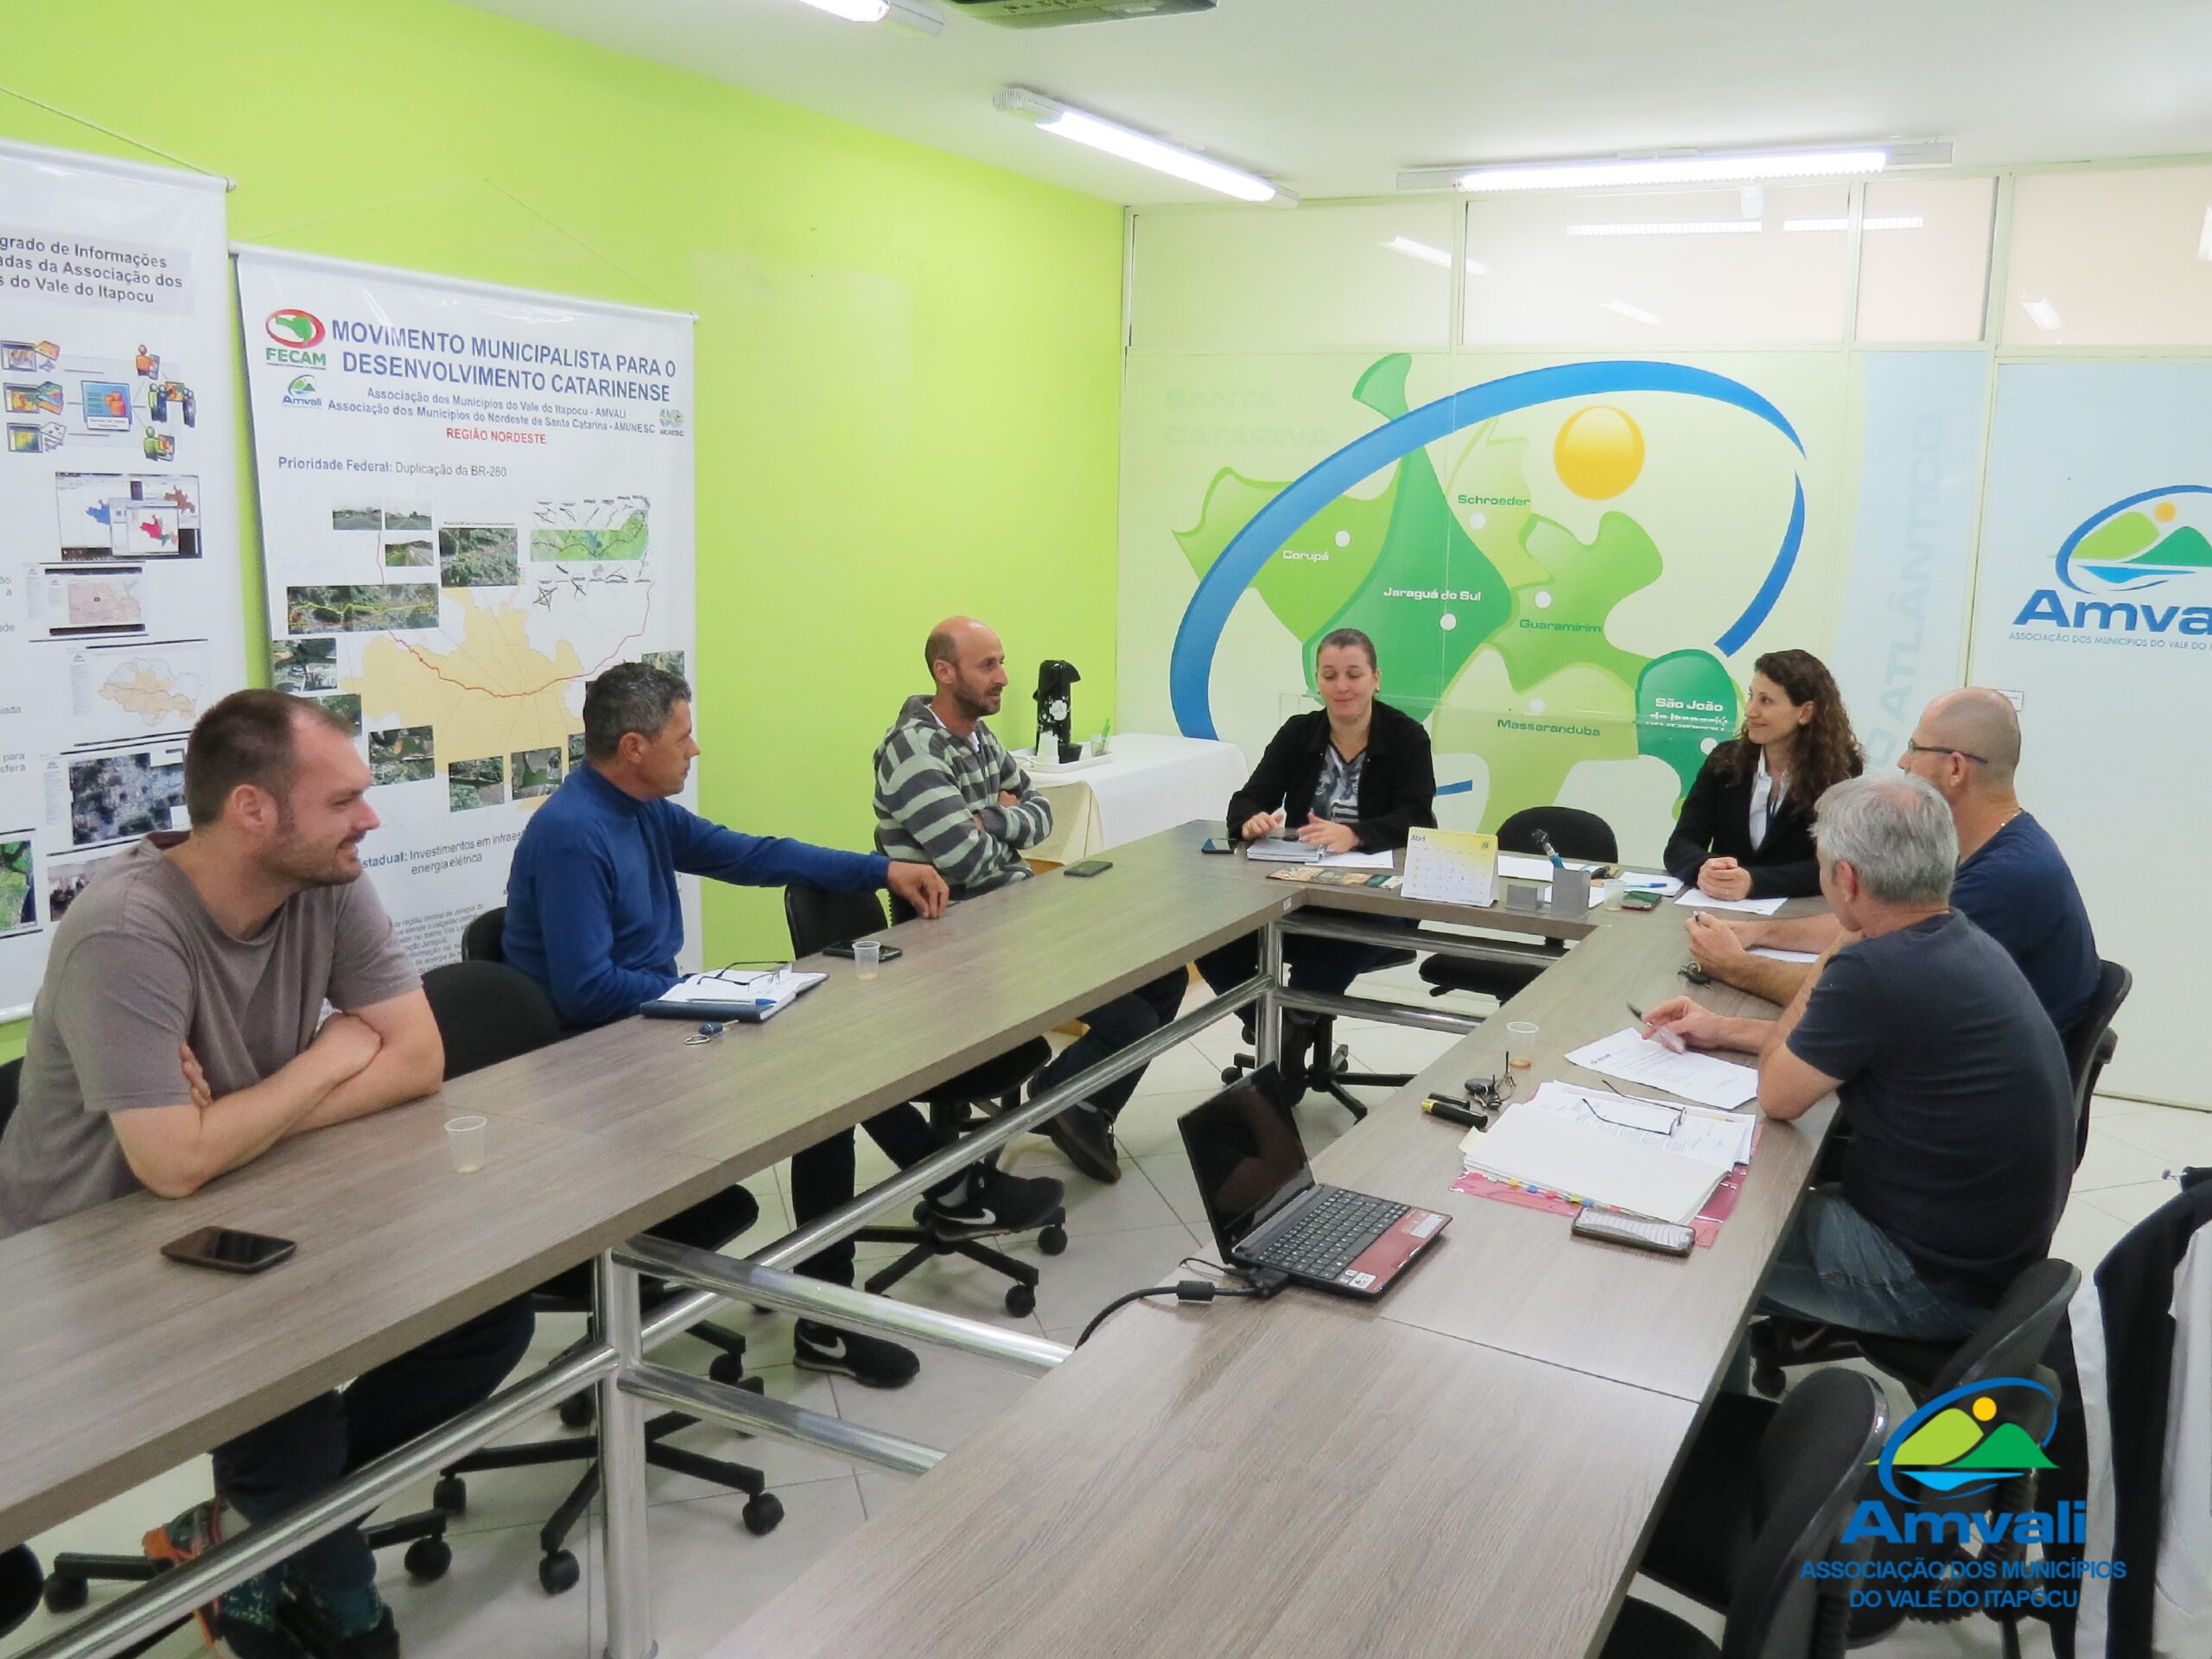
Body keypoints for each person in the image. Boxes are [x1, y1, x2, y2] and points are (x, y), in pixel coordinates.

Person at [0, 690, 532, 1659]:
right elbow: (169, 1166)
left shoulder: (324, 879)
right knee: (285, 1410)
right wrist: (328, 1058)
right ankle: (322, 1592)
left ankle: (248, 1537)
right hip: (90, 1265)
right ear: (253, 810)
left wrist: (234, 1119)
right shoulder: (127, 931)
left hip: (250, 1199)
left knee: (488, 1314)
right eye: (343, 800)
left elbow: (417, 1060)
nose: (368, 820)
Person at [505, 662, 1061, 1390]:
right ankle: (914, 1233)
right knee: (822, 1091)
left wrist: (881, 870)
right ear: (635, 748)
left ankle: (937, 1209)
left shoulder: (640, 809)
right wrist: (709, 994)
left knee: (834, 1076)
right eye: (684, 736)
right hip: (597, 1074)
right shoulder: (573, 833)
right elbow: (585, 991)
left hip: (649, 1032)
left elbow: (752, 855)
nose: (696, 750)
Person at [1641, 773, 2073, 1385]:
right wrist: (1725, 1029)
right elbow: (1858, 1047)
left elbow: (1779, 1095)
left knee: (1691, 1221)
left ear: (1847, 879)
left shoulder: (1874, 966)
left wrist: (1838, 945)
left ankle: (1709, 1423)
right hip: (1983, 1261)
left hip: (1929, 1283)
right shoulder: (1956, 938)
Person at [874, 617, 1187, 1185]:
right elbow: (965, 863)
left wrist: (992, 816)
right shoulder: (912, 751)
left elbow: (1043, 809)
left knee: (1164, 976)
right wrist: (1006, 826)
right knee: (1135, 1018)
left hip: (1017, 910)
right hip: (961, 933)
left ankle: (1084, 1108)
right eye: (987, 665)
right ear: (944, 673)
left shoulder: (978, 736)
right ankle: (1061, 1095)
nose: (1004, 678)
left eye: (1001, 662)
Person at [1684, 687, 2100, 1033]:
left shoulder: (2000, 880)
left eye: (1915, 748)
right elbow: (1875, 918)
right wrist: (1759, 934)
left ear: (1955, 767)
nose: (1903, 762)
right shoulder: (1994, 846)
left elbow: (1848, 991)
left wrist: (1735, 967)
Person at [1194, 628, 1435, 1058]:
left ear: (1375, 679)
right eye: (1329, 675)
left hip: (1374, 901)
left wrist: (1355, 834)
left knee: (1338, 934)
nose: (1342, 686)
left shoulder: (1407, 737)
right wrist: (1251, 820)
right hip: (1297, 888)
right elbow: (1248, 798)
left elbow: (1417, 817)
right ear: (1317, 681)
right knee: (1211, 938)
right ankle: (1272, 1022)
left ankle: (1290, 1031)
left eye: (1354, 674)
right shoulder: (1299, 733)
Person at [1664, 648, 1864, 901]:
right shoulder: (1724, 762)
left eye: (1765, 701)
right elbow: (1680, 844)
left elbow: (1835, 866)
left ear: (1805, 712)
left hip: (1797, 915)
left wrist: (1754, 882)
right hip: (1719, 910)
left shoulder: (1839, 773)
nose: (1750, 711)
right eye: (1751, 696)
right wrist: (1703, 868)